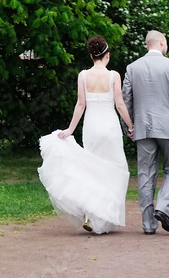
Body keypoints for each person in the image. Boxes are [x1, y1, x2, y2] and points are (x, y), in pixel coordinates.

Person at [38, 35, 134, 234]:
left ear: (91, 56)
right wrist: (131, 126)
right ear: (107, 55)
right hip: (109, 126)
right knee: (115, 169)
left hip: (91, 126)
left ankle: (91, 215)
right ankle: (103, 215)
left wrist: (70, 130)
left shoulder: (82, 75)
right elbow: (119, 104)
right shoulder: (113, 75)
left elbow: (81, 104)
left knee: (93, 170)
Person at [122, 30, 169, 235]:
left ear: (146, 45)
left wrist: (129, 127)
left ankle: (148, 225)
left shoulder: (132, 68)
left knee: (145, 174)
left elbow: (125, 100)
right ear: (161, 42)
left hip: (142, 128)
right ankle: (163, 207)